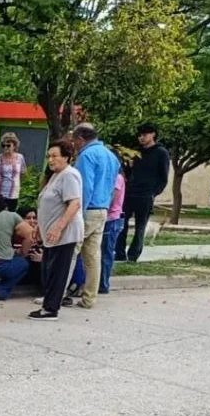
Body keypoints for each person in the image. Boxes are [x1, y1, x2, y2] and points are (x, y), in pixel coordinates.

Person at [28, 140, 84, 321]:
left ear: (66, 157)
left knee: (57, 271)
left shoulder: (69, 175)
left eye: (55, 156)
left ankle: (51, 309)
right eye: (49, 156)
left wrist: (59, 227)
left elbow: (74, 203)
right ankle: (48, 305)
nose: (50, 160)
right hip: (50, 233)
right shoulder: (55, 175)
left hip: (64, 234)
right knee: (49, 270)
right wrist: (39, 225)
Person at [71, 123, 121, 309]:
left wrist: (77, 214)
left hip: (88, 209)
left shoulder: (86, 156)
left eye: (75, 141)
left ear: (81, 139)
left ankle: (57, 295)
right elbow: (112, 187)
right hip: (102, 210)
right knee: (92, 256)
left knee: (71, 253)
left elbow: (85, 187)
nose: (74, 145)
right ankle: (89, 298)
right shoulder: (111, 156)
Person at [116, 123, 170, 262]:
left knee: (140, 227)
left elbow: (163, 177)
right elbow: (127, 172)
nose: (141, 138)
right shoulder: (135, 153)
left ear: (153, 134)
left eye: (144, 135)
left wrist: (153, 193)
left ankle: (133, 255)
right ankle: (120, 253)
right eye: (139, 135)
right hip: (129, 193)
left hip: (146, 195)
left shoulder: (161, 152)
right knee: (122, 224)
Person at [99, 164, 127, 294]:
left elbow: (112, 197)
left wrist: (102, 208)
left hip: (112, 218)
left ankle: (103, 284)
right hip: (110, 218)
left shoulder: (117, 178)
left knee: (107, 252)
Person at [0, 132, 27, 212]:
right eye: (3, 145)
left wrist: (18, 184)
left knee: (10, 214)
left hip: (13, 193)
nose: (5, 147)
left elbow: (23, 173)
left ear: (14, 145)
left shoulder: (20, 157)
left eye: (8, 145)